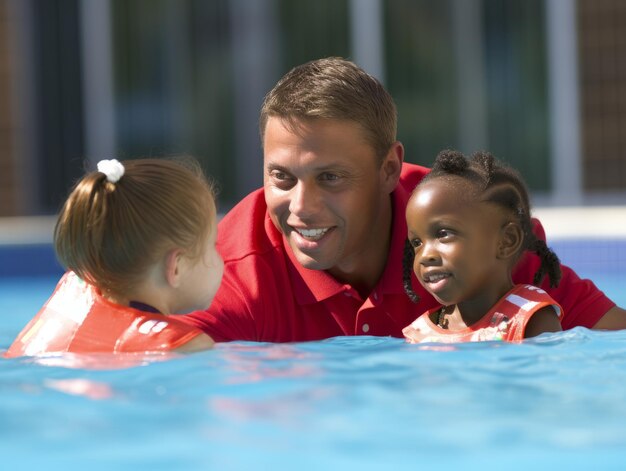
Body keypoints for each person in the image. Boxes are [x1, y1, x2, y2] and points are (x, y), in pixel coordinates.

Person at [183, 56, 626, 342]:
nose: (301, 207)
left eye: (331, 177)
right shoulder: (236, 272)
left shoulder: (473, 227)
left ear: (389, 169)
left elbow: (611, 343)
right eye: (281, 177)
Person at [5, 157, 222, 357]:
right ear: (177, 267)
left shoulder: (76, 285)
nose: (221, 257)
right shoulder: (180, 347)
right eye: (212, 245)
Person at [402, 150, 563, 343]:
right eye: (417, 243)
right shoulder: (420, 333)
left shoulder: (530, 319)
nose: (425, 255)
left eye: (444, 234)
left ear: (506, 241)